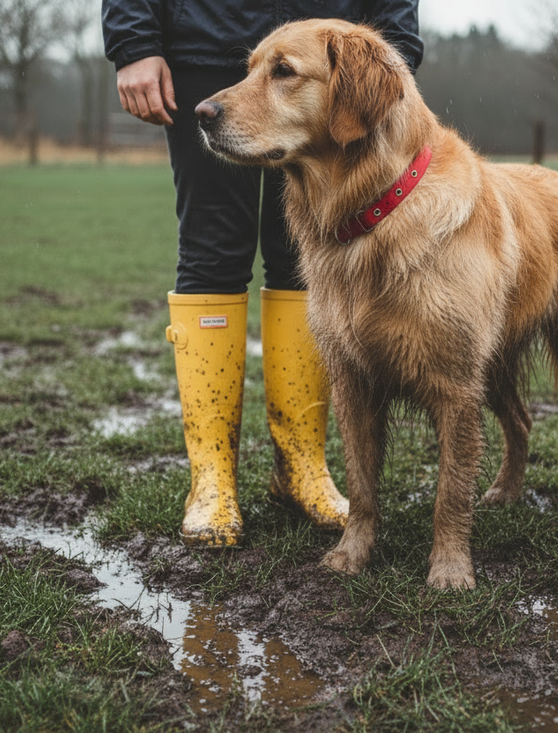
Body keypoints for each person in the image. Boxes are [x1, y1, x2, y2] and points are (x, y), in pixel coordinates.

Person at [102, 0, 423, 547]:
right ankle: (211, 482)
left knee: (306, 264)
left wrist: (391, 51)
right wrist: (135, 43)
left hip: (329, 54)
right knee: (210, 254)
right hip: (202, 42)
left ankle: (301, 468)